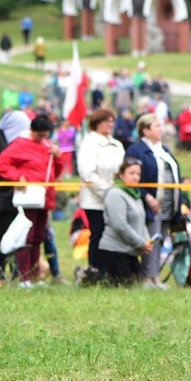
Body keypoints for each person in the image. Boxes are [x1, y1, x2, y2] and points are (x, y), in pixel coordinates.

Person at [0, 115, 62, 288]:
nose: (43, 139)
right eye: (40, 135)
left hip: (44, 198)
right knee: (27, 236)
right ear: (32, 131)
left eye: (46, 135)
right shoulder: (20, 144)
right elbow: (1, 164)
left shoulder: (47, 145)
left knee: (38, 237)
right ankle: (24, 277)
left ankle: (34, 274)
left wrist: (58, 157)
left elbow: (56, 170)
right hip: (29, 198)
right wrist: (18, 177)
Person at [126, 113, 182, 290]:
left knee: (160, 241)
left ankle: (155, 276)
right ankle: (146, 278)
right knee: (150, 241)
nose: (161, 129)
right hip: (149, 205)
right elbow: (132, 178)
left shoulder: (164, 150)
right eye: (157, 126)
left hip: (167, 204)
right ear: (146, 130)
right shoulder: (136, 150)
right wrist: (147, 197)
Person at [0, 110, 30, 286]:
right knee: (5, 237)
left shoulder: (8, 141)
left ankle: (9, 274)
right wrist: (11, 174)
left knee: (12, 237)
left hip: (10, 197)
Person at [77, 108, 125, 276]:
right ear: (97, 123)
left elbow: (122, 171)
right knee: (98, 233)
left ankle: (112, 269)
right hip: (95, 200)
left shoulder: (117, 145)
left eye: (112, 120)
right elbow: (87, 173)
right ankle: (95, 269)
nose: (110, 124)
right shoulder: (89, 143)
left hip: (116, 198)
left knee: (114, 234)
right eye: (107, 121)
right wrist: (107, 192)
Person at [98, 158, 153, 286]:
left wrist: (147, 241)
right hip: (114, 251)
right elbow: (120, 226)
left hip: (130, 251)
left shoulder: (136, 195)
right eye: (131, 173)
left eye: (138, 174)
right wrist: (140, 243)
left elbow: (141, 221)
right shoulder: (115, 194)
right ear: (122, 175)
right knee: (122, 286)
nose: (135, 177)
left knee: (137, 286)